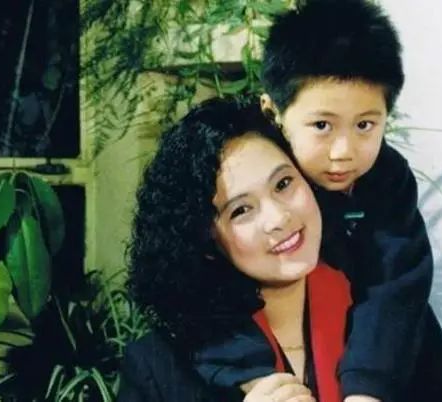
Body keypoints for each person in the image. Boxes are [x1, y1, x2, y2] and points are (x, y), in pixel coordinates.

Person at [193, 0, 442, 401]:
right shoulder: (260, 174)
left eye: (365, 125)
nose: (343, 152)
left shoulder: (388, 178)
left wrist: (368, 387)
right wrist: (255, 377)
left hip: (380, 344)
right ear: (273, 112)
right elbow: (200, 288)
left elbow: (394, 282)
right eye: (322, 125)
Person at [120, 97, 355, 402]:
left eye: (283, 183)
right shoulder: (159, 367)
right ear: (205, 240)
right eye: (241, 210)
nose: (279, 218)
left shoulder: (383, 315)